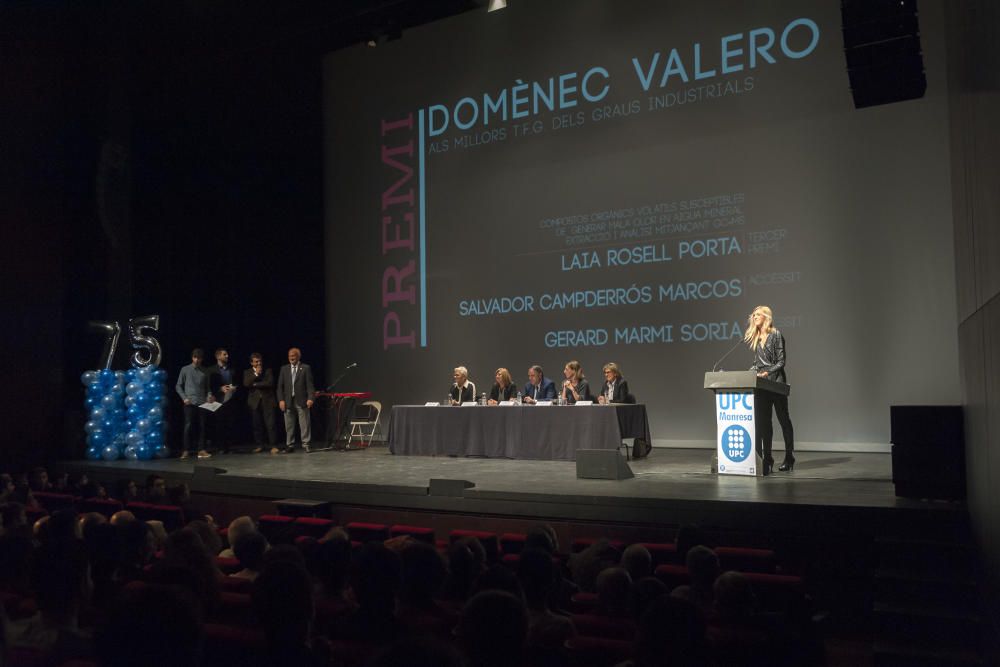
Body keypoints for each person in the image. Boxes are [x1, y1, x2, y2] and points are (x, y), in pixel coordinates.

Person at [745, 305, 795, 474]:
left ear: (766, 317)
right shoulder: (757, 337)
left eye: (757, 314)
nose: (754, 317)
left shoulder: (776, 334)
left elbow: (781, 362)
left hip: (776, 383)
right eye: (753, 315)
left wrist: (767, 372)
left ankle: (789, 458)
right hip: (762, 385)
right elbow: (757, 363)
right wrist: (752, 371)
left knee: (783, 420)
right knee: (764, 423)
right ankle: (767, 459)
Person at [175, 348, 212, 460]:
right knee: (188, 426)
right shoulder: (185, 369)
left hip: (202, 402)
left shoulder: (205, 371)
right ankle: (186, 450)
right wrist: (184, 398)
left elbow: (208, 388)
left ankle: (201, 450)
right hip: (189, 402)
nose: (196, 360)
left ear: (202, 359)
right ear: (192, 358)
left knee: (202, 426)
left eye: (199, 358)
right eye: (195, 357)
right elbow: (178, 386)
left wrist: (209, 395)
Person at [276, 347, 316, 453]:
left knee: (304, 423)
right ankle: (290, 445)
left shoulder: (305, 368)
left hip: (302, 400)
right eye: (290, 356)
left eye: (293, 355)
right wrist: (281, 400)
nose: (291, 358)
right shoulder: (284, 369)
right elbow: (280, 386)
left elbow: (310, 386)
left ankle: (306, 444)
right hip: (288, 400)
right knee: (289, 424)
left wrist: (310, 398)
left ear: (298, 356)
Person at [206, 347, 239, 454]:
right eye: (224, 354)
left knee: (230, 423)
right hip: (218, 400)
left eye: (227, 354)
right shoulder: (211, 370)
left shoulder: (232, 369)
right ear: (218, 356)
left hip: (230, 400)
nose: (227, 356)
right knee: (219, 424)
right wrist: (220, 389)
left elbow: (236, 382)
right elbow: (208, 386)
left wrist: (234, 388)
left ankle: (229, 447)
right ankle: (220, 447)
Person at [244, 352, 278, 454]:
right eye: (256, 362)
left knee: (270, 424)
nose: (259, 363)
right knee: (257, 424)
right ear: (251, 363)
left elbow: (270, 383)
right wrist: (256, 374)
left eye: (260, 361)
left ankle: (273, 445)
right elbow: (246, 383)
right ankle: (260, 445)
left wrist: (255, 384)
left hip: (267, 401)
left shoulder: (267, 370)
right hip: (254, 402)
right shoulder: (248, 372)